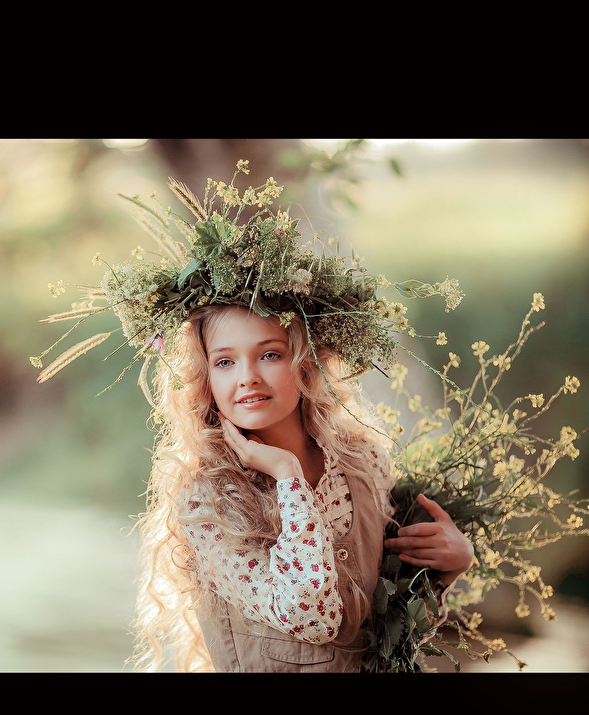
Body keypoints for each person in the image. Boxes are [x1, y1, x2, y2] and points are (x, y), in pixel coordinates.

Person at [34, 160, 475, 672]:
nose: (247, 377)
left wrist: (450, 568)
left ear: (305, 361)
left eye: (269, 354)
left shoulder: (364, 462)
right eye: (225, 362)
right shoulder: (208, 500)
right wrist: (287, 476)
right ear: (206, 378)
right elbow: (311, 616)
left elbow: (390, 630)